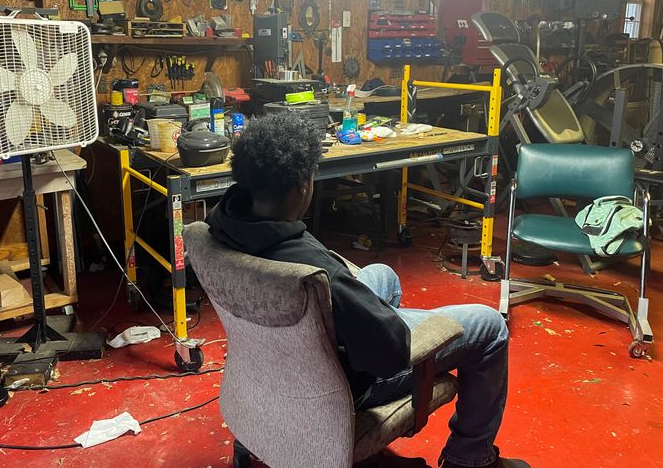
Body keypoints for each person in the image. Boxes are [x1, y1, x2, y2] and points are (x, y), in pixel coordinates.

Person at [206, 113, 529, 468]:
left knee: (382, 276)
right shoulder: (313, 271)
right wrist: (379, 321)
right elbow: (390, 355)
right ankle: (469, 459)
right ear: (302, 186)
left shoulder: (221, 223)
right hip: (336, 382)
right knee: (491, 328)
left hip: (270, 366)